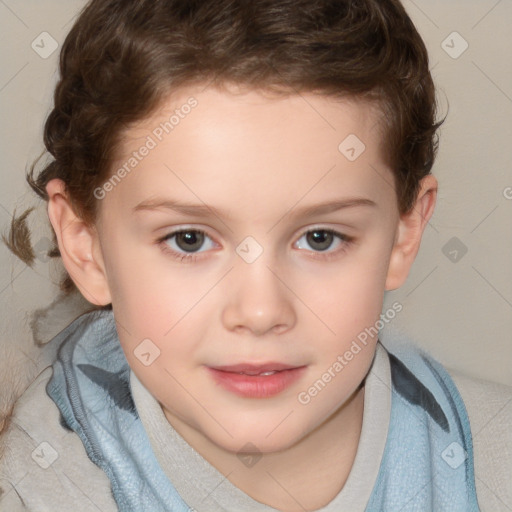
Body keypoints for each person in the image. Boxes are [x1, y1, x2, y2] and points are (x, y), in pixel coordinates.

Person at [0, 0, 510, 510]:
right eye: (189, 240)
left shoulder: (492, 461)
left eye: (320, 238)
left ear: (405, 234)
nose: (261, 312)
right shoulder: (30, 488)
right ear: (86, 247)